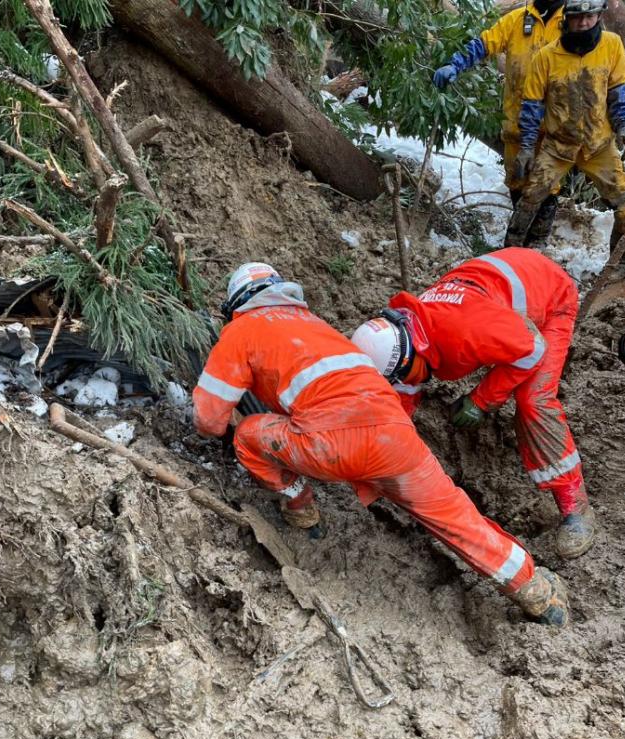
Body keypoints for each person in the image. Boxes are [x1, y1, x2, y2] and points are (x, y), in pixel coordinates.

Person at [193, 261, 569, 626]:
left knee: (247, 435)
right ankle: (535, 592)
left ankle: (301, 509)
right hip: (396, 435)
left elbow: (209, 420)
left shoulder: (240, 332)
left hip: (331, 444)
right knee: (456, 517)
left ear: (237, 305)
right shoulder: (318, 325)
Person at [351, 247, 595, 560]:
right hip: (502, 287)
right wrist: (376, 466)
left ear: (414, 352)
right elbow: (402, 393)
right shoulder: (403, 331)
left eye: (406, 373)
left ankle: (576, 506)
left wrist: (481, 400)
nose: (407, 381)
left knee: (533, 399)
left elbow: (532, 349)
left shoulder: (464, 333)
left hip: (550, 295)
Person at [505, 0, 625, 257]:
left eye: (590, 16)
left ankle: (621, 265)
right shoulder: (546, 57)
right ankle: (511, 253)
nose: (584, 23)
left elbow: (618, 91)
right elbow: (532, 107)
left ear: (599, 16)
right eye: (578, 17)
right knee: (530, 197)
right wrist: (527, 147)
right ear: (567, 19)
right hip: (558, 145)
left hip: (599, 146)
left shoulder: (611, 45)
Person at [432, 0, 565, 245]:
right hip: (517, 125)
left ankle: (535, 246)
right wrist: (456, 64)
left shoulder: (572, 23)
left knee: (548, 187)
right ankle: (517, 248)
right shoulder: (516, 20)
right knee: (518, 182)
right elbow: (484, 43)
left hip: (554, 130)